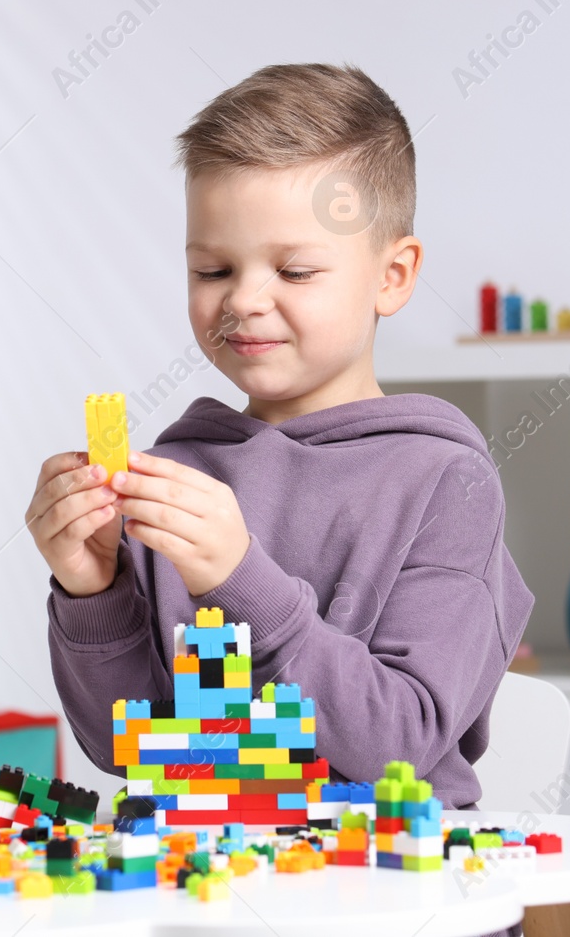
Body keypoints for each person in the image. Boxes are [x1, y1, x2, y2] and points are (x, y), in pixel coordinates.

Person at [27, 62, 533, 808]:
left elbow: (394, 743)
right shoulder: (178, 472)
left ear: (392, 276)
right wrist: (90, 588)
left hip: (395, 888)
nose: (243, 300)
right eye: (213, 268)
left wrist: (242, 580)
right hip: (208, 884)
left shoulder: (442, 480)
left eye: (294, 271)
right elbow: (118, 744)